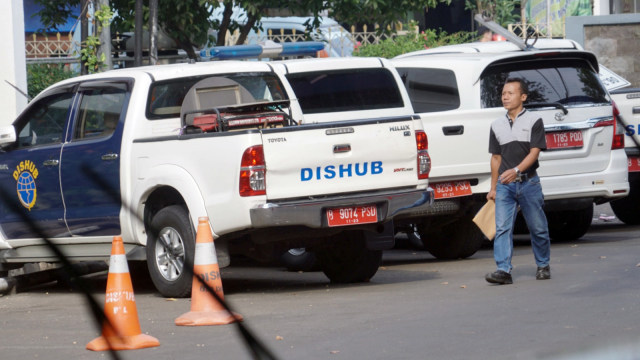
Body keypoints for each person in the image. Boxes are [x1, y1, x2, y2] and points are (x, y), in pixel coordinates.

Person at [485, 77, 551, 285]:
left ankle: (543, 264)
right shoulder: (496, 125)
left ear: (523, 97)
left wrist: (516, 170)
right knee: (503, 228)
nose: (505, 97)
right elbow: (496, 158)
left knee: (538, 227)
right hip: (505, 186)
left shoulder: (534, 120)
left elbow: (534, 153)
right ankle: (503, 270)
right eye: (503, 93)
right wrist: (493, 187)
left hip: (528, 182)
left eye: (510, 93)